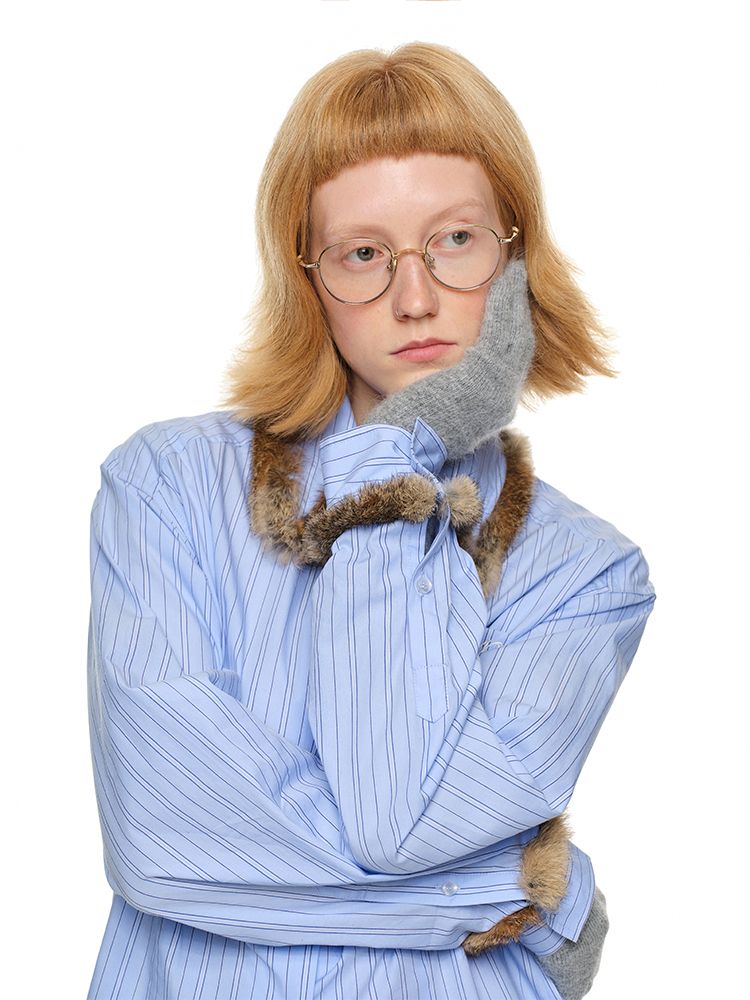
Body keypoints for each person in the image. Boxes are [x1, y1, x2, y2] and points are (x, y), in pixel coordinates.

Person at [85, 43, 656, 1000]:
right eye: (363, 254)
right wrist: (533, 897)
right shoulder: (166, 487)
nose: (416, 298)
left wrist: (394, 456)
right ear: (307, 277)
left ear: (517, 256)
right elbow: (162, 844)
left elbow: (400, 818)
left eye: (456, 240)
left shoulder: (586, 571)